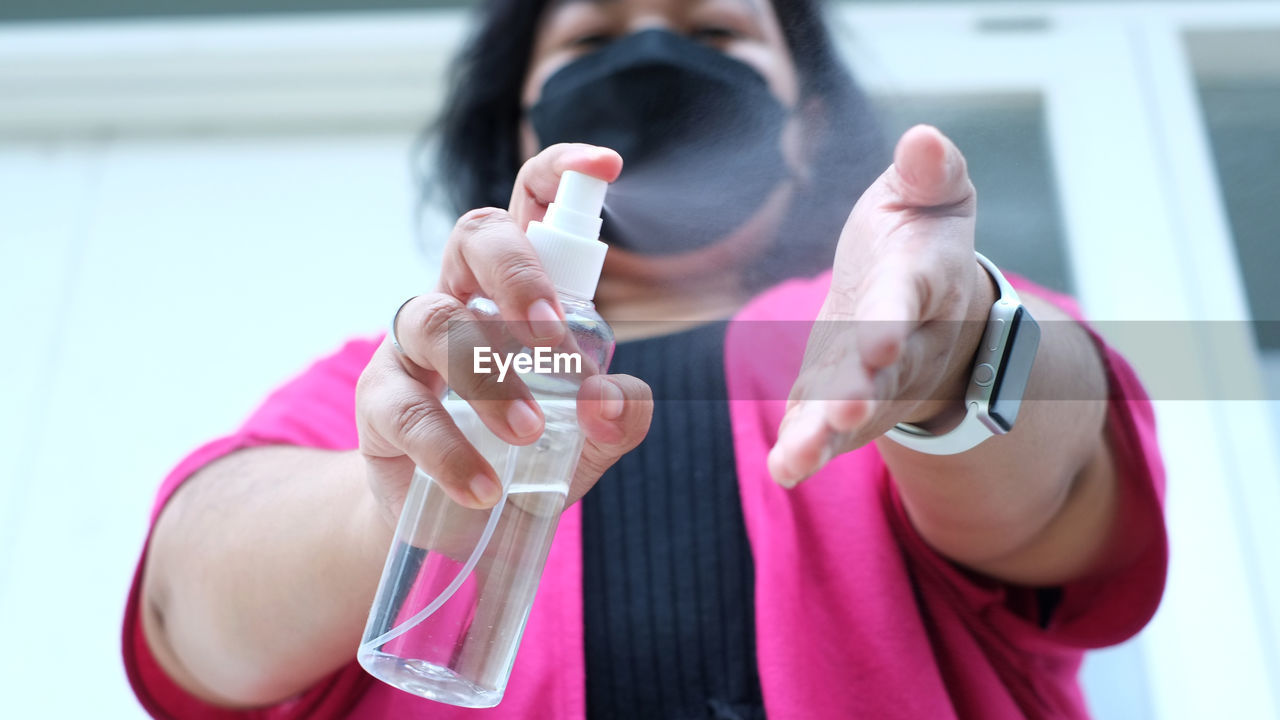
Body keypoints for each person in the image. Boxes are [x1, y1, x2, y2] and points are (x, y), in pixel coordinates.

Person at [123, 0, 1167, 718]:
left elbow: (1060, 484)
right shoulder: (407, 380)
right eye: (590, 34)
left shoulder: (873, 321)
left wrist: (943, 360)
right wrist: (396, 501)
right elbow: (187, 616)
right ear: (522, 124)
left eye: (716, 28)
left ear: (806, 131)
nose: (656, 47)